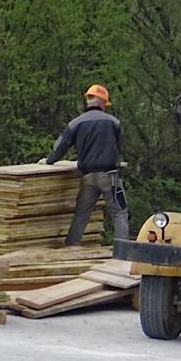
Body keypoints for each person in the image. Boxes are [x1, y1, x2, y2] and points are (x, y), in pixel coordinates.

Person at [41, 83, 129, 246]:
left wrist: (49, 161)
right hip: (109, 176)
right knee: (119, 213)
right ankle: (121, 250)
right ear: (103, 102)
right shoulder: (114, 122)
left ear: (88, 101)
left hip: (88, 177)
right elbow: (119, 147)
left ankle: (72, 246)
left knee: (81, 213)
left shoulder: (76, 123)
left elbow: (61, 145)